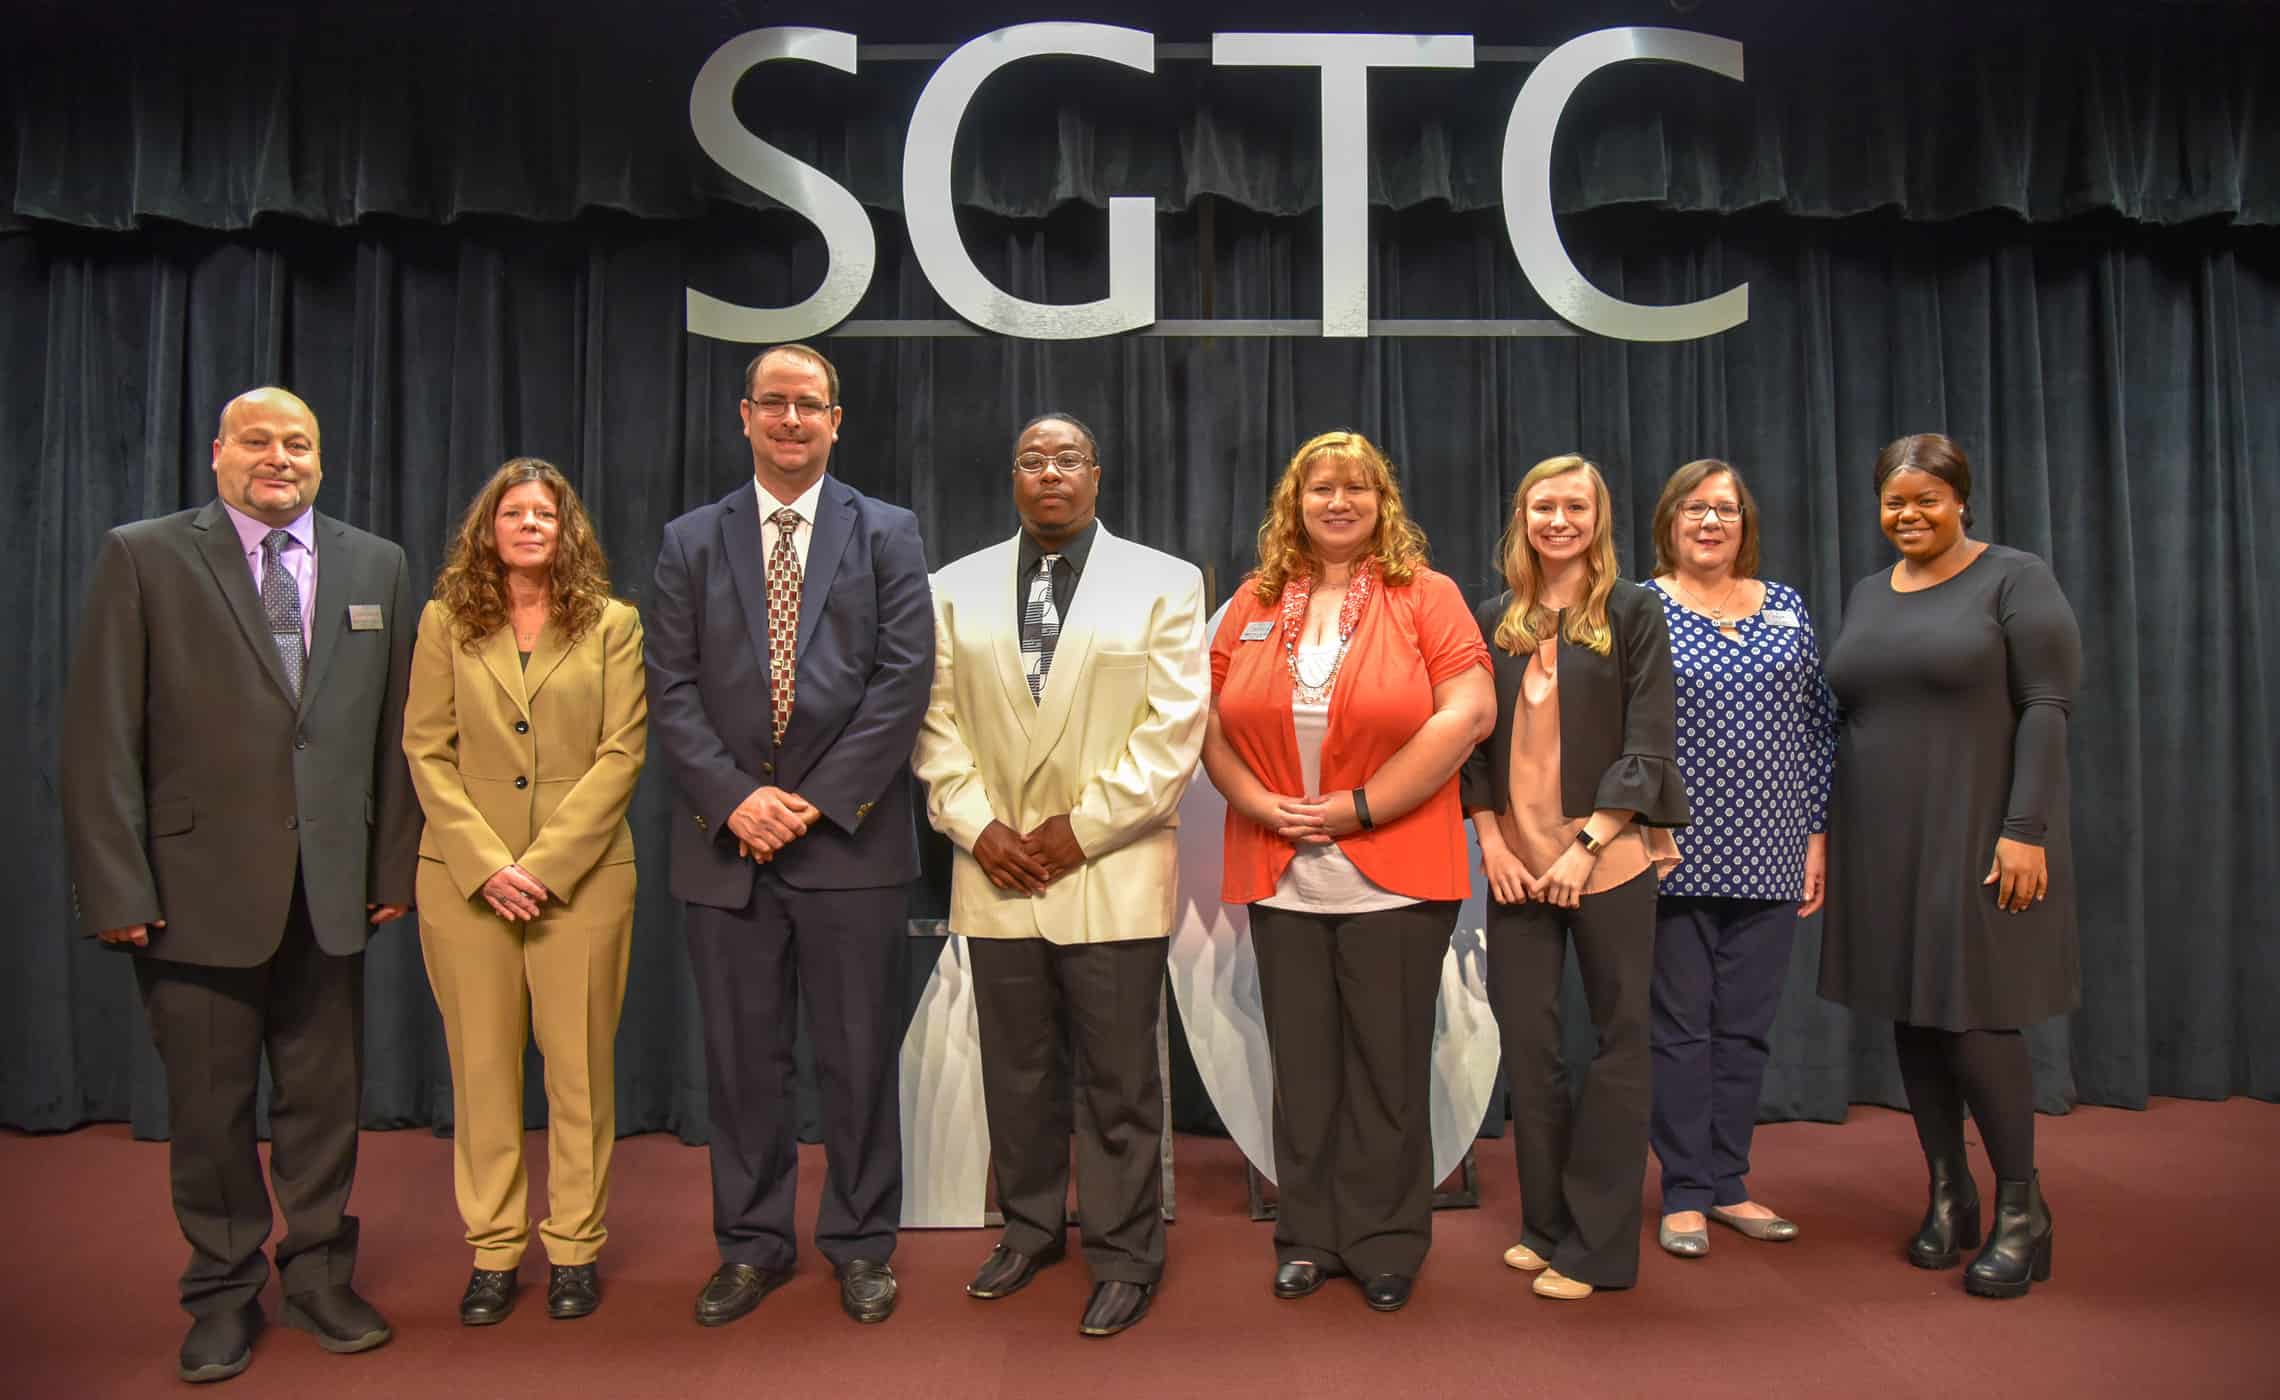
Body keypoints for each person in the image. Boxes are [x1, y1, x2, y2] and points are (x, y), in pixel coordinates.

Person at [59, 387, 420, 1383]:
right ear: (217, 452)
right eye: (256, 439)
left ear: (320, 458)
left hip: (333, 890)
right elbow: (100, 738)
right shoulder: (145, 555)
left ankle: (316, 1275)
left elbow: (396, 734)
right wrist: (118, 886)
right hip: (191, 889)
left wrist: (391, 866)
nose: (278, 456)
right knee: (212, 1110)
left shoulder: (376, 563)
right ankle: (220, 1291)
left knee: (323, 1101)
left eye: (297, 441)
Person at [646, 343, 934, 1328]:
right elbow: (670, 689)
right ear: (745, 416)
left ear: (836, 420)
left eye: (809, 404)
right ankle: (753, 1243)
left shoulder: (889, 533)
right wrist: (736, 798)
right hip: (723, 846)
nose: (791, 418)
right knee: (742, 1060)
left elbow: (902, 682)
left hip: (849, 842)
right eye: (774, 402)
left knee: (857, 1059)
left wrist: (808, 799)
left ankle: (860, 1242)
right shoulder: (690, 540)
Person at [911, 412, 1207, 1338]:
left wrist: (1078, 833)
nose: (1050, 473)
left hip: (1110, 867)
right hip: (994, 867)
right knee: (1019, 1071)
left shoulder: (1165, 582)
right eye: (1032, 460)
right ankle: (1032, 1227)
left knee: (1119, 1081)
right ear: (1013, 477)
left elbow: (1172, 734)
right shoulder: (950, 589)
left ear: (1097, 473)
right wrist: (977, 825)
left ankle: (1123, 1253)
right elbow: (933, 725)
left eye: (1066, 458)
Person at [1202, 430, 1494, 1314]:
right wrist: (1256, 801)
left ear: (1382, 503)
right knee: (1306, 1066)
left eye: (1357, 489)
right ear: (1295, 503)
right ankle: (1310, 1236)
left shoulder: (1426, 596)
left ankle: (1386, 1241)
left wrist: (1360, 807)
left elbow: (1469, 712)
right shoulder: (1254, 598)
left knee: (1387, 1068)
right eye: (1321, 488)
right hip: (1280, 869)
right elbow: (1205, 722)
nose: (1338, 502)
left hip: (1396, 872)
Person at [1820, 433, 2080, 1299]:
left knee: (1973, 1020)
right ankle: (1948, 1193)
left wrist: (2027, 828)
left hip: (1978, 831)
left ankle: (2021, 1210)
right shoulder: (1867, 592)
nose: (1909, 515)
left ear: (1961, 499)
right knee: (1912, 1014)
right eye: (1895, 502)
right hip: (1882, 835)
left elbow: (2046, 705)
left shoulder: (2015, 577)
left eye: (1927, 499)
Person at [401, 459, 648, 1325]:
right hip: (466, 885)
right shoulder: (444, 622)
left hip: (579, 883)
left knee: (580, 1072)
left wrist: (542, 867)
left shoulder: (614, 624)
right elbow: (425, 749)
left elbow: (623, 753)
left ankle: (576, 1246)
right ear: (489, 529)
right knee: (483, 1073)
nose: (531, 524)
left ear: (567, 529)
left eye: (546, 513)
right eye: (515, 513)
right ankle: (495, 1249)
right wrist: (487, 864)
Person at [1462, 454, 1687, 1302]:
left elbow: (1649, 742)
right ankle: (1545, 1224)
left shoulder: (1635, 610)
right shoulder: (1495, 619)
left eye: (1575, 506)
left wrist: (1586, 847)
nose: (1559, 520)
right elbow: (1475, 748)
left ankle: (1597, 1250)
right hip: (1518, 868)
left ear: (1600, 519)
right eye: (1543, 506)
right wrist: (1491, 844)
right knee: (1531, 1048)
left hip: (1609, 860)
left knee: (1620, 1048)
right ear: (1522, 517)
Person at [1641, 459, 1837, 1258]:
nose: (1710, 522)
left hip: (1774, 852)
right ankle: (1684, 1191)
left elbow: (1820, 727)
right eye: (1694, 509)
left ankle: (1730, 1183)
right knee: (1682, 1030)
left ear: (1745, 523)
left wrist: (1815, 835)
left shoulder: (1786, 606)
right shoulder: (1641, 607)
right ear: (1670, 522)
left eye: (1724, 509)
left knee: (1747, 1030)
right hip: (1671, 856)